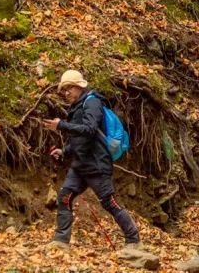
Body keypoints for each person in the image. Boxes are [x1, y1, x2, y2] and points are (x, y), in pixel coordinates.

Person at [41, 70, 140, 251]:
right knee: (64, 197)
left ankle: (133, 241)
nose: (66, 93)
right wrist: (63, 151)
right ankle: (61, 241)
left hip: (96, 165)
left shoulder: (92, 102)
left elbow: (90, 129)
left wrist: (61, 125)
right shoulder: (77, 107)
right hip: (80, 166)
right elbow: (79, 140)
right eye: (63, 90)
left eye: (68, 88)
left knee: (109, 203)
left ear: (79, 86)